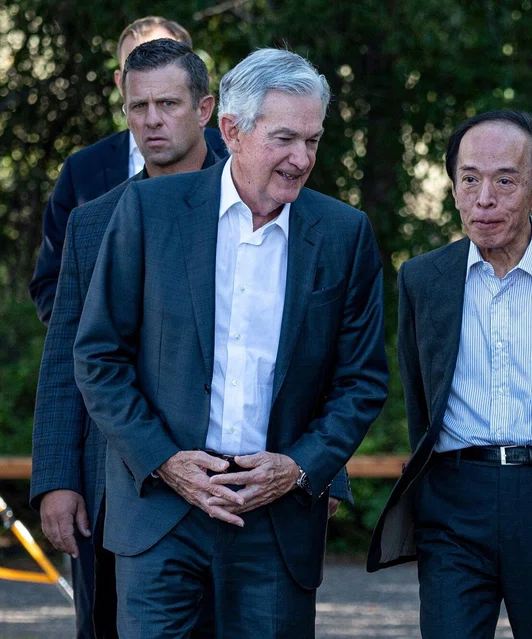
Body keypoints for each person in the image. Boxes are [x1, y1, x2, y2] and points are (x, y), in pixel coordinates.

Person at [73, 48, 388, 637]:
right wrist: (165, 462)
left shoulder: (343, 234)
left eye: (313, 141)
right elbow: (98, 357)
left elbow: (362, 380)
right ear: (231, 131)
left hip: (274, 523)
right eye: (285, 139)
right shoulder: (148, 212)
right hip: (161, 517)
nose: (302, 159)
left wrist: (298, 467)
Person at [367, 110, 532, 638]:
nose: (484, 197)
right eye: (469, 179)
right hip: (452, 501)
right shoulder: (423, 278)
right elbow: (420, 396)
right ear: (452, 188)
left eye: (505, 180)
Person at [29, 38, 224, 639]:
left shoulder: (253, 211)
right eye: (138, 107)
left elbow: (304, 349)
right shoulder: (93, 222)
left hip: (228, 477)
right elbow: (65, 360)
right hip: (113, 484)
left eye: (168, 104)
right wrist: (57, 479)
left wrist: (320, 472)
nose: (152, 120)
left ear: (206, 109)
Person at [27, 16, 227, 326]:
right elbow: (52, 285)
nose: (153, 119)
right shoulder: (83, 171)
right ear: (123, 83)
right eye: (140, 61)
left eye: (169, 101)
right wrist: (106, 339)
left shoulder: (233, 161)